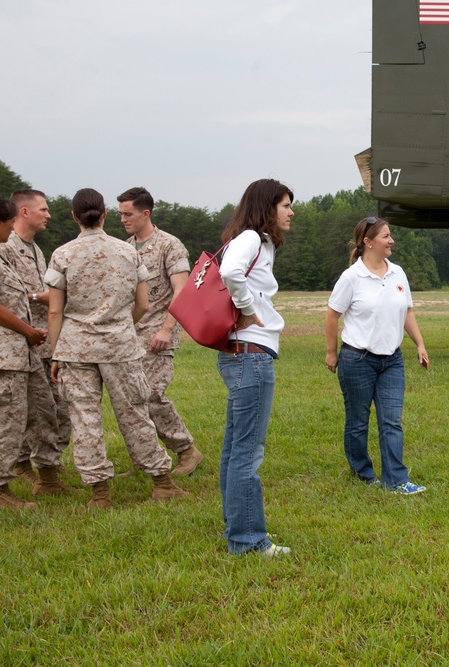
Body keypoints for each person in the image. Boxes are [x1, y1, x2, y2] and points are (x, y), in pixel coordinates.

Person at [45, 188, 188, 508]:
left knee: (85, 419)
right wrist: (124, 323)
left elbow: (55, 311)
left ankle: (99, 493)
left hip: (77, 350)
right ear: (105, 214)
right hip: (121, 347)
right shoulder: (127, 252)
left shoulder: (62, 254)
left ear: (74, 217)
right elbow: (142, 303)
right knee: (135, 413)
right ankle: (161, 483)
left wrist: (58, 352)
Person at [0, 195, 71, 509]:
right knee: (6, 421)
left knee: (44, 411)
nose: (11, 230)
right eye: (8, 223)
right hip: (0, 355)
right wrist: (29, 331)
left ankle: (48, 479)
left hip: (23, 355)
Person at [216, 178, 294, 556]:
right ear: (267, 208)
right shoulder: (251, 239)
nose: (291, 212)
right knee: (247, 451)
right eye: (285, 205)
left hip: (238, 354)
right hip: (252, 355)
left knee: (235, 448)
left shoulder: (250, 241)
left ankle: (236, 528)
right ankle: (247, 540)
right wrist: (248, 311)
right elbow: (229, 273)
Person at [324, 216, 429, 495]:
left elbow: (406, 311)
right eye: (385, 236)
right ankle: (363, 473)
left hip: (391, 361)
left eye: (390, 235)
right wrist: (331, 353)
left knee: (391, 421)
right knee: (358, 422)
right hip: (357, 360)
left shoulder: (398, 274)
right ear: (368, 242)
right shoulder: (351, 277)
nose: (391, 240)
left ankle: (396, 480)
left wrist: (419, 344)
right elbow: (333, 315)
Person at [117, 186, 203, 476]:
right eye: (120, 214)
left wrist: (167, 330)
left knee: (152, 396)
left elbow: (182, 291)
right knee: (132, 401)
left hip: (157, 335)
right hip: (130, 338)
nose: (123, 219)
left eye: (128, 214)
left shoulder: (170, 245)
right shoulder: (126, 248)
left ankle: (187, 451)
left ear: (146, 213)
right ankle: (146, 460)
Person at [1, 189, 73, 484]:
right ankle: (24, 465)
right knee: (30, 410)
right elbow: (6, 297)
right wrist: (38, 296)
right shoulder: (5, 247)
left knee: (57, 407)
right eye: (43, 210)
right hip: (22, 342)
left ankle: (47, 461)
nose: (48, 215)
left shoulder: (35, 249)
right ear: (24, 212)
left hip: (44, 342)